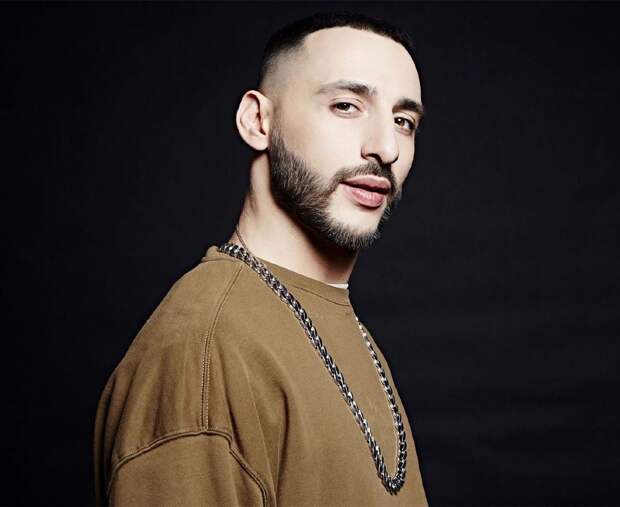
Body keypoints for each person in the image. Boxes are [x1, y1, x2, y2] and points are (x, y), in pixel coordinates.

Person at [94, 10, 428, 506]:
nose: (385, 148)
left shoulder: (331, 317)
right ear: (257, 121)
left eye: (404, 121)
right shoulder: (204, 352)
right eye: (346, 106)